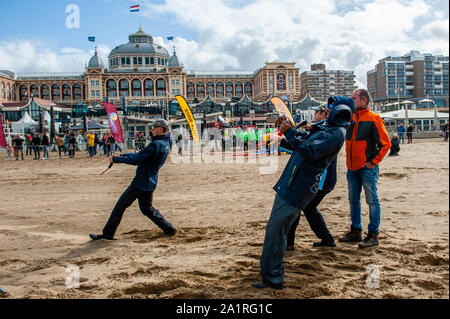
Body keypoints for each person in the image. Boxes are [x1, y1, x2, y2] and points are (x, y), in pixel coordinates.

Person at [251, 105, 352, 290]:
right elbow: (302, 142)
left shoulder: (334, 134)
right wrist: (288, 129)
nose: (323, 114)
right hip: (291, 185)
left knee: (276, 231)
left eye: (329, 111)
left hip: (297, 188)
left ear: (337, 114)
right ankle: (271, 275)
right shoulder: (328, 130)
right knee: (277, 231)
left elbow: (309, 150)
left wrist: (289, 131)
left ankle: (273, 278)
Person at [283, 98, 355, 250]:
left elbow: (308, 149)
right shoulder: (324, 128)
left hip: (321, 179)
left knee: (298, 206)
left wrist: (287, 137)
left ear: (324, 114)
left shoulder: (330, 130)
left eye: (317, 112)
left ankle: (289, 243)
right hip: (322, 179)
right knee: (308, 208)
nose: (314, 114)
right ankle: (326, 240)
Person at [89, 120, 177, 241]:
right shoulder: (165, 144)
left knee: (120, 206)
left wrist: (117, 160)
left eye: (153, 128)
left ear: (160, 128)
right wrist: (123, 156)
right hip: (150, 181)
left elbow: (138, 159)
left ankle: (108, 234)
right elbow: (142, 156)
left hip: (140, 182)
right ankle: (169, 229)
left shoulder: (155, 144)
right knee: (147, 209)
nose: (151, 130)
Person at [339, 89, 391, 249]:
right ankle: (356, 232)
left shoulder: (374, 118)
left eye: (354, 98)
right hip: (351, 167)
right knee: (353, 200)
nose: (351, 100)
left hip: (367, 168)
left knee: (372, 201)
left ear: (364, 100)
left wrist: (373, 162)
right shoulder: (350, 118)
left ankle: (373, 235)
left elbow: (386, 143)